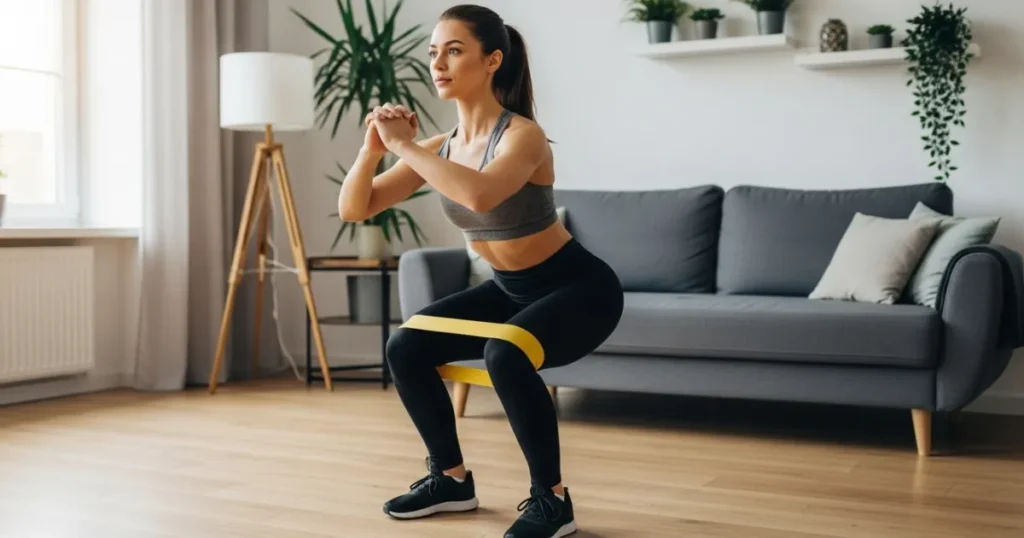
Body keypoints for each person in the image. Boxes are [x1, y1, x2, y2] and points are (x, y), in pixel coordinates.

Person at [337, 4, 623, 537]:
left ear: (493, 60)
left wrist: (401, 145)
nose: (438, 63)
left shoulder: (523, 136)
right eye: (432, 52)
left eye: (454, 50)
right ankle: (450, 480)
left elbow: (480, 192)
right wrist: (371, 148)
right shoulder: (439, 147)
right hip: (510, 290)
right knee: (407, 345)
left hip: (580, 289)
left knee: (505, 352)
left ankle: (552, 501)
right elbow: (356, 208)